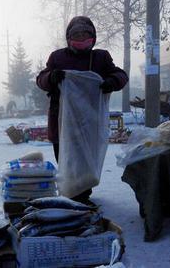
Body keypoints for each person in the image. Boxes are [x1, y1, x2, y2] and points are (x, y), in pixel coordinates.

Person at [36, 16, 128, 203]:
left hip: (90, 121)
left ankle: (82, 195)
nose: (81, 38)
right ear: (69, 37)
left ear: (93, 37)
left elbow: (120, 75)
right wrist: (52, 77)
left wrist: (112, 81)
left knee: (87, 162)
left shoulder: (101, 57)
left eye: (85, 34)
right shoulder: (57, 57)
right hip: (63, 121)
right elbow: (41, 79)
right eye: (76, 34)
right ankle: (71, 194)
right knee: (66, 160)